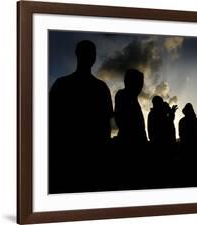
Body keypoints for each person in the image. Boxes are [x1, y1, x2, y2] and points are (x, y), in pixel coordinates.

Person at [49, 40, 113, 193]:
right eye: (87, 52)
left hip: (92, 157)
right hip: (67, 157)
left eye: (92, 53)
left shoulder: (100, 87)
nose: (90, 56)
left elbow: (106, 124)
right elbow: (51, 121)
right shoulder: (62, 84)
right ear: (78, 54)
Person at [114, 69, 147, 145]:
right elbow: (121, 120)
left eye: (141, 83)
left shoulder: (133, 98)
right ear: (129, 82)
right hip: (130, 141)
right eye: (139, 82)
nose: (141, 86)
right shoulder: (123, 95)